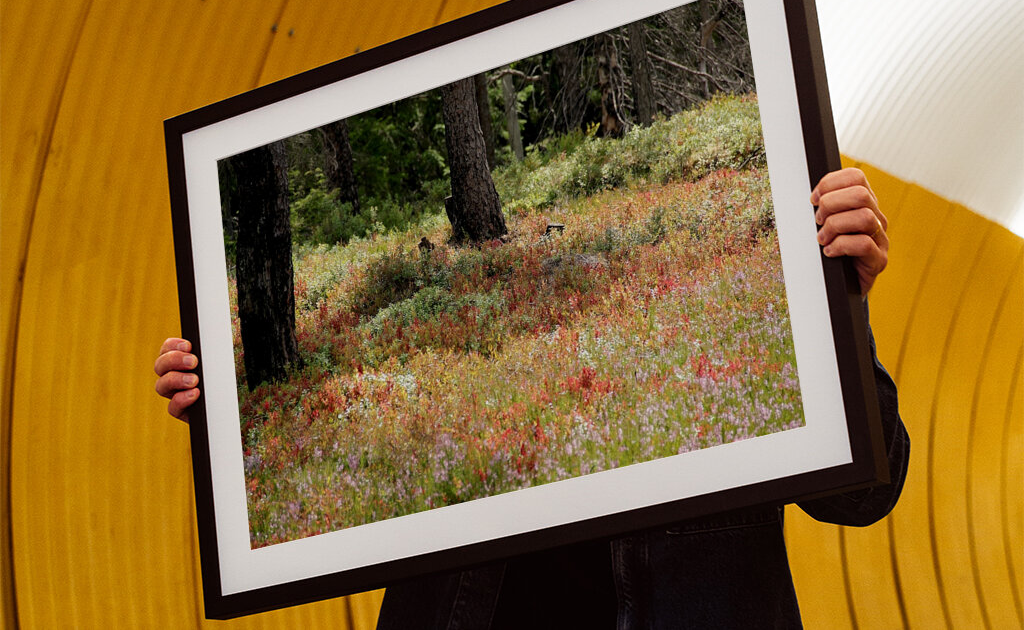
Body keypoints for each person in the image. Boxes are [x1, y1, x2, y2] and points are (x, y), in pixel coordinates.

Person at [154, 168, 908, 628]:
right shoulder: (447, 390)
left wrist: (839, 302)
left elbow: (865, 494)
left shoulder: (751, 309)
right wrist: (237, 417)